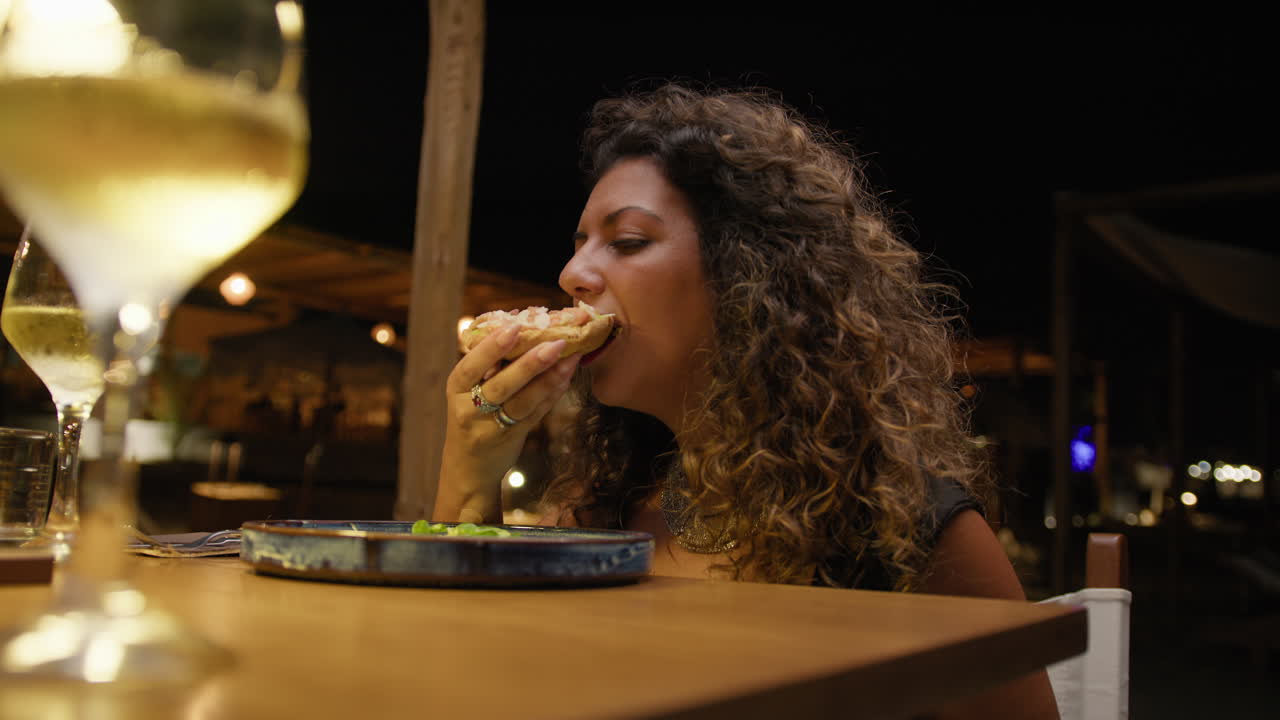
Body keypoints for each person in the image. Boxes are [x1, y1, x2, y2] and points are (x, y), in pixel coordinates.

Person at [434, 83, 1058, 718]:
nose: (573, 275)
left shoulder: (907, 532)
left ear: (744, 279)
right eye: (579, 243)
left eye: (626, 242)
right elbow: (458, 679)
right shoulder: (604, 507)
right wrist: (469, 473)